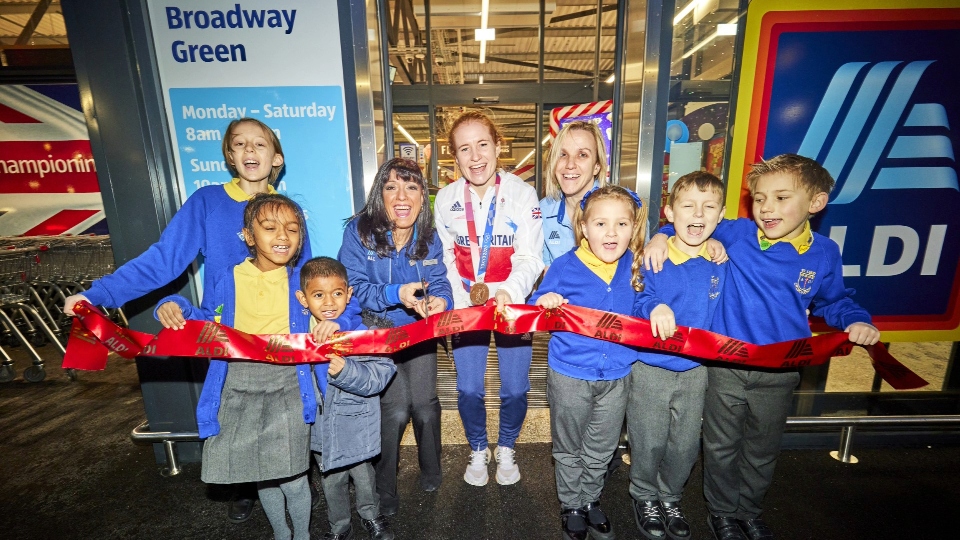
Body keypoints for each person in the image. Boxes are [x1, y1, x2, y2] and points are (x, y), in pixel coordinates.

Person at [64, 117, 356, 523]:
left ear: (277, 158)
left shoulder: (288, 213)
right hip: (229, 345)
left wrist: (334, 325)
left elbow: (310, 285)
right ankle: (244, 484)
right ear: (230, 156)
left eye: (260, 144)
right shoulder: (207, 202)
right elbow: (163, 261)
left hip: (282, 353)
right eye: (240, 144)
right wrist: (97, 295)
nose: (250, 151)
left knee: (290, 439)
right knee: (235, 424)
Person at [645, 154, 880, 540]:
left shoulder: (824, 253)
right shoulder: (736, 233)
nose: (766, 208)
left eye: (781, 198)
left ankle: (749, 511)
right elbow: (687, 225)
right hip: (725, 367)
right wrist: (657, 236)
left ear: (816, 203)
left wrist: (856, 320)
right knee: (720, 446)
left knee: (762, 449)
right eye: (759, 198)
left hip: (782, 372)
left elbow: (835, 301)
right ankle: (721, 513)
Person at [154, 193, 317, 540]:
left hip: (289, 382)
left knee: (294, 475)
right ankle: (281, 534)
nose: (283, 236)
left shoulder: (303, 280)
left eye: (292, 229)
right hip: (239, 383)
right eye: (270, 227)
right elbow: (205, 317)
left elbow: (337, 308)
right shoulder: (228, 278)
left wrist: (332, 321)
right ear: (247, 235)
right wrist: (174, 305)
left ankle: (301, 535)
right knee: (263, 472)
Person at [529, 185, 647, 540]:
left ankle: (591, 498)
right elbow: (536, 299)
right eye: (600, 224)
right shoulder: (565, 265)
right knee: (569, 447)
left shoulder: (637, 264)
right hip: (569, 373)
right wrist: (544, 298)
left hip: (618, 374)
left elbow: (645, 305)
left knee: (601, 446)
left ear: (634, 227)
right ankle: (572, 505)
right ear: (583, 227)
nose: (611, 233)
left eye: (622, 224)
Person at [434, 110, 545, 486]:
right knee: (468, 387)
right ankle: (478, 447)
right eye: (464, 149)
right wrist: (457, 300)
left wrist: (508, 292)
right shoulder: (445, 199)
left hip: (511, 303)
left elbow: (531, 257)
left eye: (483, 144)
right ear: (455, 156)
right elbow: (446, 258)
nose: (475, 156)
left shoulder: (522, 194)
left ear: (499, 147)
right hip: (467, 307)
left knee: (515, 388)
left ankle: (508, 447)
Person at [337, 157, 453, 515]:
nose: (401, 196)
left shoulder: (429, 235)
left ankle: (432, 472)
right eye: (391, 187)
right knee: (396, 410)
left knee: (426, 407)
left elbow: (440, 280)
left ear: (423, 196)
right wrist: (395, 294)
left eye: (412, 187)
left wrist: (440, 300)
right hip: (376, 328)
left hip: (419, 328)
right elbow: (352, 287)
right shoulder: (358, 231)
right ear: (379, 195)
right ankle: (383, 489)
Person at [628, 172, 727, 540]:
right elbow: (637, 297)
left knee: (685, 443)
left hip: (697, 371)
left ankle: (670, 496)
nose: (698, 214)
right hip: (651, 367)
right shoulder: (656, 256)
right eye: (688, 206)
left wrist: (718, 245)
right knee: (648, 437)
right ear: (670, 211)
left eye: (708, 207)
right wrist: (654, 306)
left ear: (720, 216)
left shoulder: (721, 262)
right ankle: (643, 495)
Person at [295, 257, 397, 540]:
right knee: (331, 482)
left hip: (357, 423)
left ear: (349, 294)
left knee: (364, 478)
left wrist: (347, 370)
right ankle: (339, 526)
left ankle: (371, 517)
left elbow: (380, 375)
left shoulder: (364, 332)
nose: (329, 302)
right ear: (303, 299)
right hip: (320, 425)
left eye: (337, 293)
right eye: (318, 295)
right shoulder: (297, 337)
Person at [540, 120, 608, 267]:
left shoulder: (622, 207)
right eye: (562, 154)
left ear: (597, 166)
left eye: (582, 155)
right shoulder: (542, 211)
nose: (570, 164)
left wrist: (662, 235)